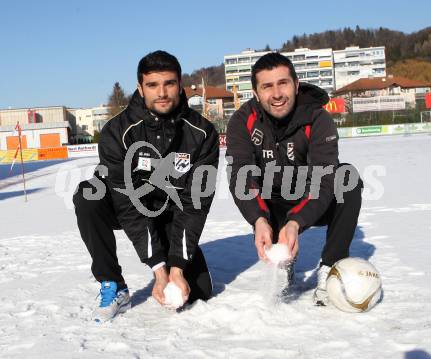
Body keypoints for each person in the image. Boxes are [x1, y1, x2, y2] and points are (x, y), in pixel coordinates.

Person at [73, 50, 219, 322]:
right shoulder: (117, 132)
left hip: (173, 214)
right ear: (140, 88)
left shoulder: (202, 133)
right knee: (88, 196)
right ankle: (113, 284)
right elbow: (127, 203)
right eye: (153, 85)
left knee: (200, 292)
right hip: (127, 208)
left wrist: (177, 267)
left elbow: (196, 204)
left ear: (180, 85)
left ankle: (177, 259)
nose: (162, 92)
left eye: (169, 83)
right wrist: (159, 268)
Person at [226, 52, 362, 305]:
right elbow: (240, 176)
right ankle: (283, 260)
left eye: (283, 83)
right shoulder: (242, 120)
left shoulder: (318, 118)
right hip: (272, 204)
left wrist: (296, 222)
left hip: (310, 199)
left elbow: (324, 179)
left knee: (347, 178)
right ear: (256, 93)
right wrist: (258, 220)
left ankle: (331, 267)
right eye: (267, 86)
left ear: (296, 85)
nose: (277, 94)